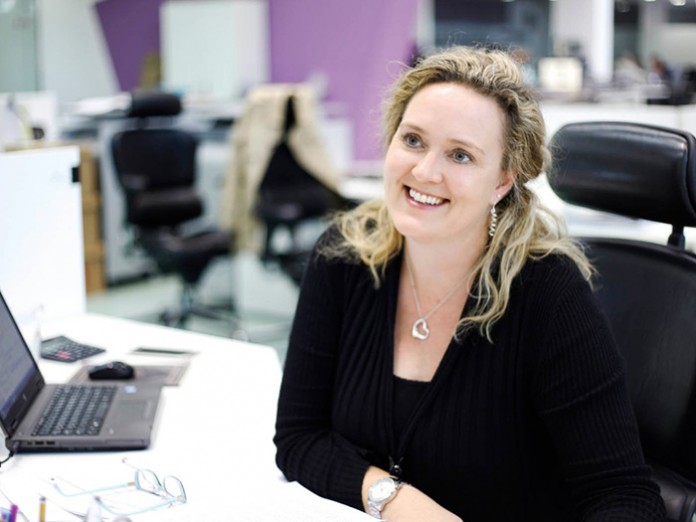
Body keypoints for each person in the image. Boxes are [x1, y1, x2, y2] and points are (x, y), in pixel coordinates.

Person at [274, 46, 666, 521]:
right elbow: (299, 437)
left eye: (460, 155)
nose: (425, 172)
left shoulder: (547, 292)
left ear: (502, 181)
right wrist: (393, 499)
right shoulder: (344, 256)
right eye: (413, 140)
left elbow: (624, 495)